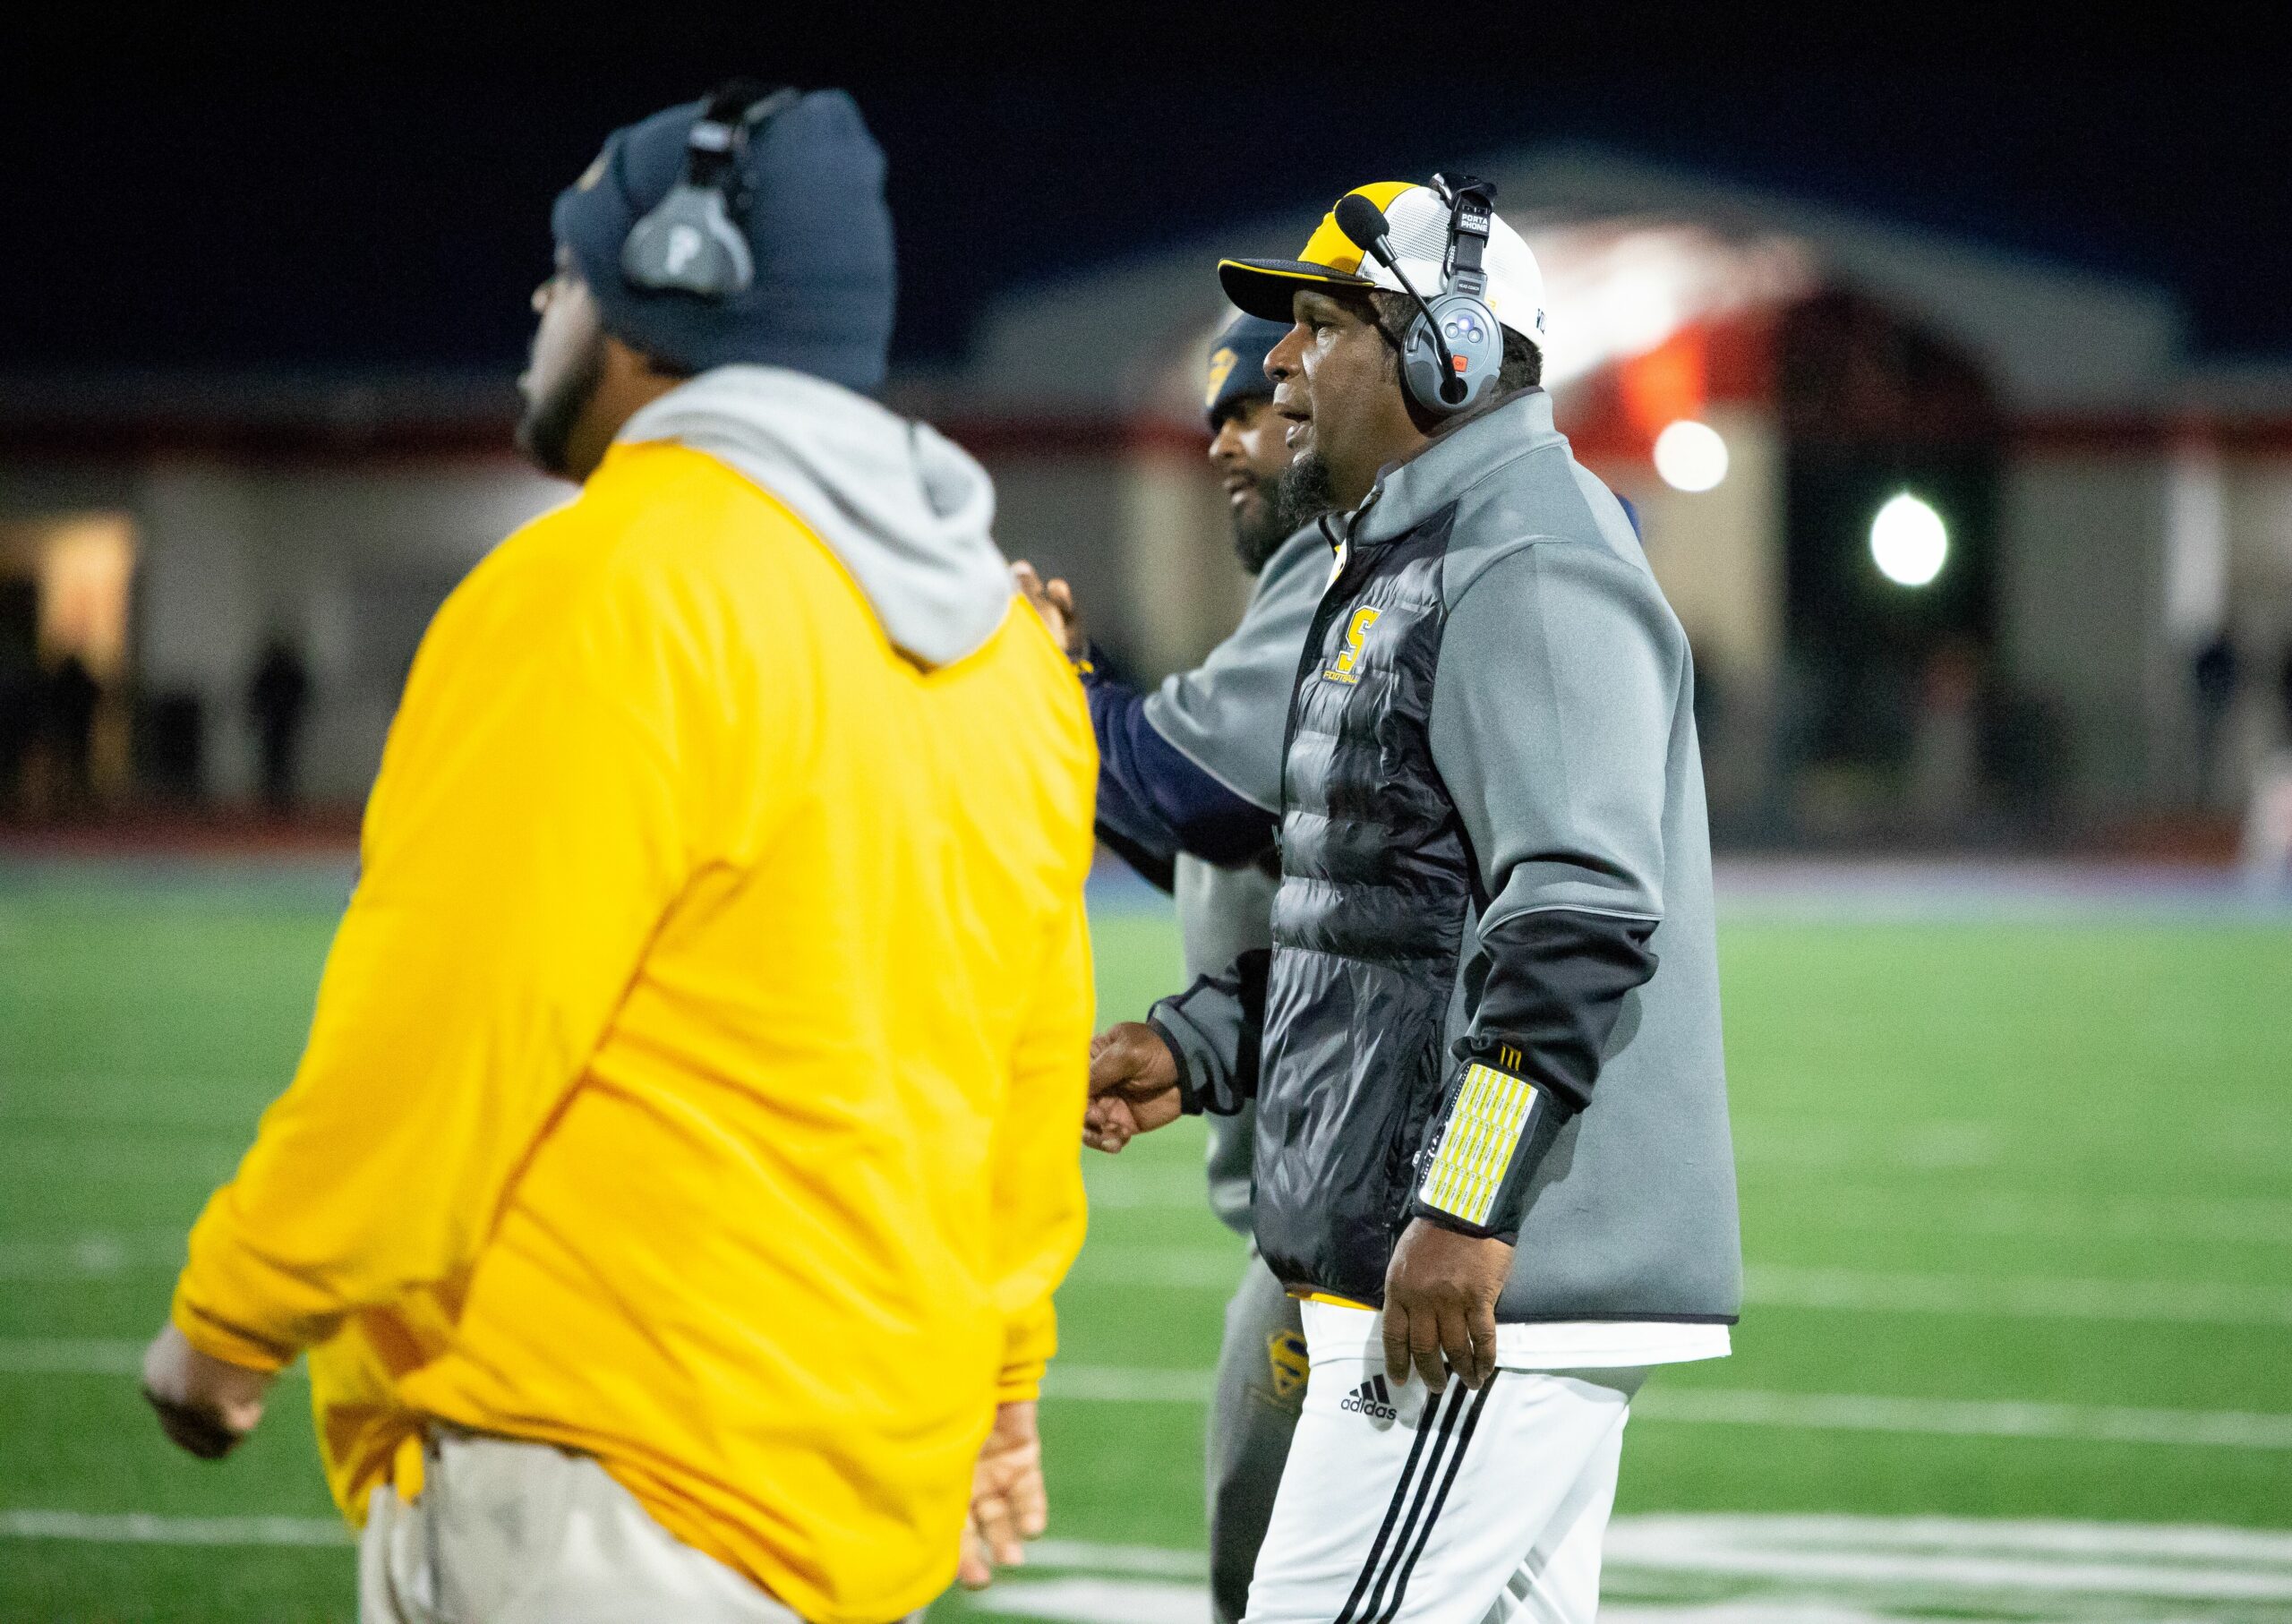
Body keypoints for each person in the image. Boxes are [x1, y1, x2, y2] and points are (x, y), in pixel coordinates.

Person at [136, 82, 1098, 1623]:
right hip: (864, 1500)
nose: (544, 307)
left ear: (677, 280)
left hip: (608, 1469)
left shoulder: (608, 588)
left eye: (568, 270)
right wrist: (1002, 1372)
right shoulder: (1010, 656)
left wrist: (233, 1316)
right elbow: (1022, 1081)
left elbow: (448, 1025)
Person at [1089, 181, 1741, 1622]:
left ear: (1450, 352)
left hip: (1479, 1286)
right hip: (1440, 1263)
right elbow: (1391, 921)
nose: (1279, 361)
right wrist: (1205, 1046)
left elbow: (1573, 921)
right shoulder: (1414, 554)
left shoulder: (1527, 558)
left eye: (1323, 325)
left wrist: (1465, 1206)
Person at [1019, 311, 1330, 1623]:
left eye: (1256, 406)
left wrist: (1041, 688)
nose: (1225, 439)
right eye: (1215, 417)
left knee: (1281, 1595)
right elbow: (1238, 856)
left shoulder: (1345, 569)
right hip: (1345, 1209)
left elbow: (1195, 791)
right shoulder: (1332, 577)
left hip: (1365, 1229)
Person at [245, 634, 312, 814]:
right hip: (274, 721)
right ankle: (272, 799)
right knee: (273, 760)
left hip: (283, 720)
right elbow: (257, 692)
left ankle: (281, 799)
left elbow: (301, 691)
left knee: (282, 760)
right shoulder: (275, 670)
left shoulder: (285, 670)